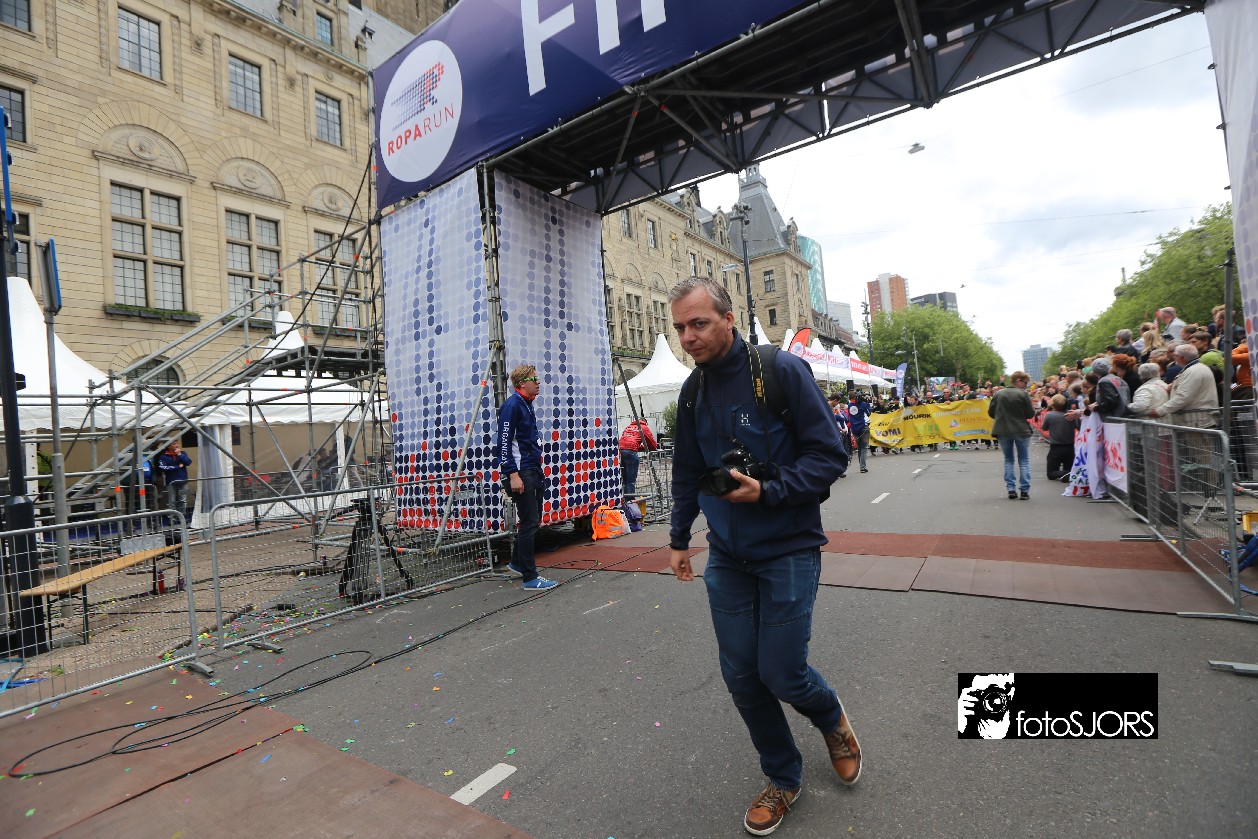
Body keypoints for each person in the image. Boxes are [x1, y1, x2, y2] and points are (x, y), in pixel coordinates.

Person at [666, 276, 857, 836]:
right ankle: (783, 777)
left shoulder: (781, 370)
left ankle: (831, 719)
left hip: (788, 548)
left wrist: (769, 490)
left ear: (729, 319)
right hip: (727, 556)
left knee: (783, 673)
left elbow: (831, 455)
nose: (688, 337)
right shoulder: (692, 391)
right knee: (743, 677)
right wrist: (678, 538)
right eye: (680, 327)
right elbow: (686, 471)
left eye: (699, 323)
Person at [496, 364, 558, 591]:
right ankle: (530, 577)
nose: (538, 382)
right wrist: (513, 475)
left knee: (533, 519)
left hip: (532, 469)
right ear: (522, 383)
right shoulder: (512, 406)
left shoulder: (526, 404)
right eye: (534, 379)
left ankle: (517, 562)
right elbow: (503, 444)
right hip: (522, 472)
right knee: (530, 521)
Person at [988, 371, 1035, 499]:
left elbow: (991, 412)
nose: (1026, 385)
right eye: (1025, 383)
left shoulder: (998, 394)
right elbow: (1030, 414)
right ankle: (1024, 490)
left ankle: (1011, 489)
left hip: (1003, 429)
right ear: (1018, 381)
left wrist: (1001, 416)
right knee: (1024, 460)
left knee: (1008, 460)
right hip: (1021, 429)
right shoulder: (1023, 394)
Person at [1148, 344, 1218, 428]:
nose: (1173, 358)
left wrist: (1160, 411)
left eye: (1175, 355)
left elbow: (1183, 397)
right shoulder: (1195, 368)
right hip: (1197, 420)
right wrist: (1173, 387)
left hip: (1197, 421)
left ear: (1181, 357)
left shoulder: (1194, 371)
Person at [618, 417, 659, 499]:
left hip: (620, 451)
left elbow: (628, 441)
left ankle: (624, 499)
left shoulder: (629, 427)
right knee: (631, 481)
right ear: (645, 422)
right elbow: (652, 444)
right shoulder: (643, 427)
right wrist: (652, 447)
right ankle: (630, 502)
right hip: (631, 453)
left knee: (624, 480)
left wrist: (639, 447)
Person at [1040, 395, 1076, 481]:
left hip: (1056, 447)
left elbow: (1044, 428)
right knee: (1068, 466)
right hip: (1070, 446)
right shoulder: (1072, 415)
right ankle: (1069, 473)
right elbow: (1078, 426)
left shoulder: (1050, 415)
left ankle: (1066, 473)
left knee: (1051, 473)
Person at [156, 442, 192, 517]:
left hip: (183, 480)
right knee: (171, 501)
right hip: (170, 482)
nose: (176, 445)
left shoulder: (183, 453)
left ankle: (182, 516)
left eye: (177, 443)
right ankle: (172, 517)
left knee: (183, 500)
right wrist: (177, 467)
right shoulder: (163, 456)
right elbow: (163, 468)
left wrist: (179, 455)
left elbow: (188, 462)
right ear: (168, 446)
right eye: (174, 444)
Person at [848, 392, 871, 473]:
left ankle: (861, 465)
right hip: (863, 427)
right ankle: (862, 467)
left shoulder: (849, 405)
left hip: (854, 428)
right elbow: (869, 413)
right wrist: (866, 402)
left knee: (860, 447)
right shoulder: (863, 404)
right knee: (864, 447)